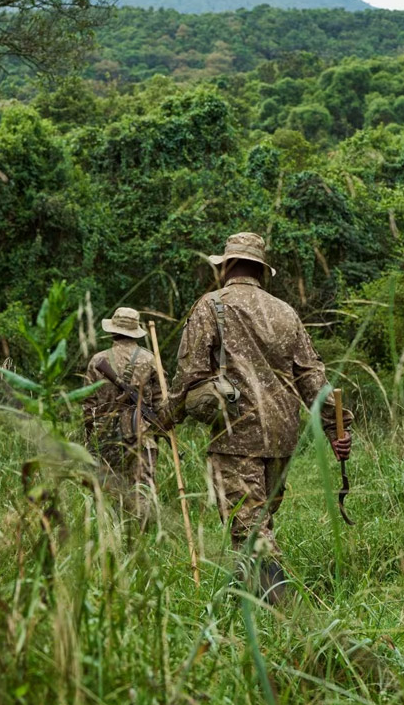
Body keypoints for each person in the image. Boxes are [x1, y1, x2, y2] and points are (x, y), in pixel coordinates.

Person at [165, 232, 353, 592]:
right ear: (261, 271)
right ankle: (248, 599)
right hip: (282, 438)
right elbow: (313, 377)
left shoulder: (211, 305)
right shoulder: (286, 312)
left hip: (237, 437)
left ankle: (289, 617)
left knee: (250, 531)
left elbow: (188, 374)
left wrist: (166, 415)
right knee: (258, 521)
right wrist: (338, 431)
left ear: (226, 267)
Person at [83, 307, 164, 528]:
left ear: (112, 331)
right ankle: (142, 541)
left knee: (109, 491)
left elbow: (88, 406)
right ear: (135, 331)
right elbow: (161, 403)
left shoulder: (97, 360)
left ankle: (110, 536)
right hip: (141, 435)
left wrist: (90, 437)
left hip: (105, 434)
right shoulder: (149, 360)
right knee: (142, 491)